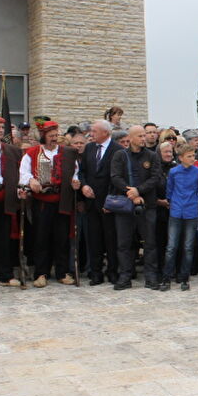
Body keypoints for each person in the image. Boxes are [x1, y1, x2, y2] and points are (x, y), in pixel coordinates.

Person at [18, 117, 80, 287]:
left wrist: (75, 181)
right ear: (43, 136)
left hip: (62, 200)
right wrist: (31, 181)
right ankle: (41, 273)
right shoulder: (32, 153)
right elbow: (23, 173)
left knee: (61, 238)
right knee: (41, 237)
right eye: (51, 135)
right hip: (42, 202)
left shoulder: (67, 153)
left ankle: (61, 272)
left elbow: (75, 171)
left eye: (56, 134)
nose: (54, 137)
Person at [109, 125, 161, 290]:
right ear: (130, 138)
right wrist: (130, 192)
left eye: (144, 135)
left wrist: (139, 190)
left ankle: (151, 276)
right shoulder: (120, 156)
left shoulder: (152, 156)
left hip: (147, 206)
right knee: (124, 243)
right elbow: (115, 177)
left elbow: (155, 178)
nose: (143, 138)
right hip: (125, 205)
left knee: (150, 242)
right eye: (139, 136)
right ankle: (125, 276)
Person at [78, 120, 124, 285]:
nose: (91, 134)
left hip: (109, 203)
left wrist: (110, 200)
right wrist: (83, 186)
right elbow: (82, 172)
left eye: (94, 131)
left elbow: (118, 178)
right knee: (94, 239)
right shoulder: (89, 148)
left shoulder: (118, 150)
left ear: (106, 133)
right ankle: (95, 272)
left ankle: (113, 271)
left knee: (111, 240)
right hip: (91, 203)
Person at [159, 144, 198, 292]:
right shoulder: (174, 172)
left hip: (191, 212)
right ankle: (166, 278)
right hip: (176, 212)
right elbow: (170, 189)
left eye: (193, 156)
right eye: (189, 156)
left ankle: (185, 278)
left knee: (188, 247)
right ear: (180, 158)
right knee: (171, 246)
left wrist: (197, 203)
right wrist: (172, 202)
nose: (193, 158)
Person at [0, 115, 23, 287]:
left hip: (5, 198)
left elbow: (20, 173)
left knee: (4, 238)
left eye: (2, 127)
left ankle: (5, 275)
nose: (1, 130)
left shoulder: (12, 150)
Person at [155, 141, 177, 275]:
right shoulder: (154, 168)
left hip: (174, 210)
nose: (169, 154)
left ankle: (172, 268)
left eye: (170, 152)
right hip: (157, 210)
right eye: (166, 152)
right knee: (159, 242)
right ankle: (160, 269)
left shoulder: (176, 168)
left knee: (173, 242)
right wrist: (159, 201)